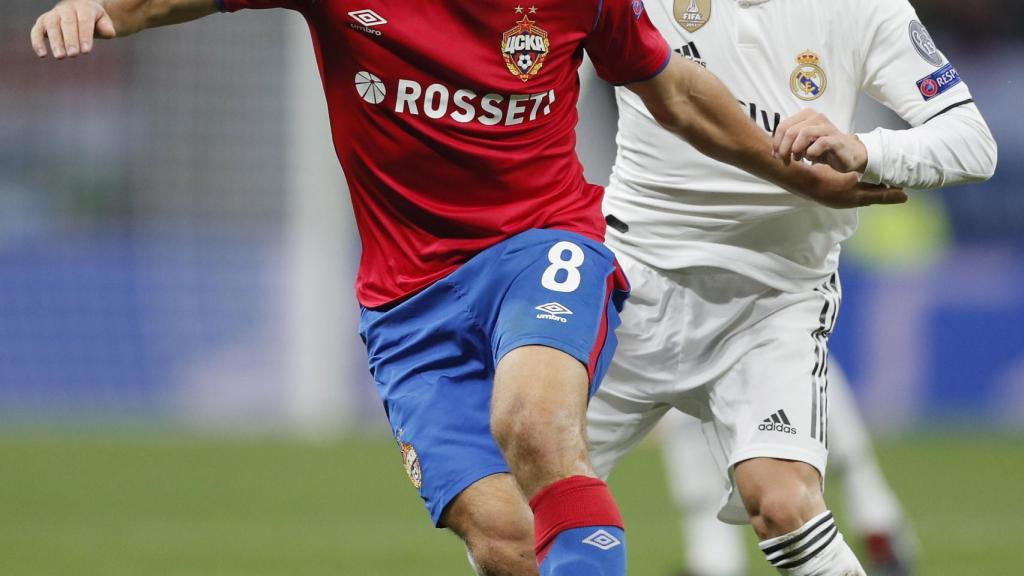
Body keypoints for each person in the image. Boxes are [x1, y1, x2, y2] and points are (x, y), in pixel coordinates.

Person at [29, 1, 904, 574]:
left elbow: (674, 91)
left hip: (544, 246)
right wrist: (102, 11)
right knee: (505, 541)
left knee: (532, 422)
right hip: (406, 304)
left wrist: (793, 176)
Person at [584, 0, 997, 574]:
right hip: (632, 283)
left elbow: (974, 142)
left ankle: (742, 551)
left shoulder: (865, 9)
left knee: (784, 505)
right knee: (514, 516)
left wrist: (868, 149)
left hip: (774, 299)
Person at [661, 364, 917, 576]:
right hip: (707, 347)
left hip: (760, 341)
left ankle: (877, 526)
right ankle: (714, 562)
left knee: (832, 448)